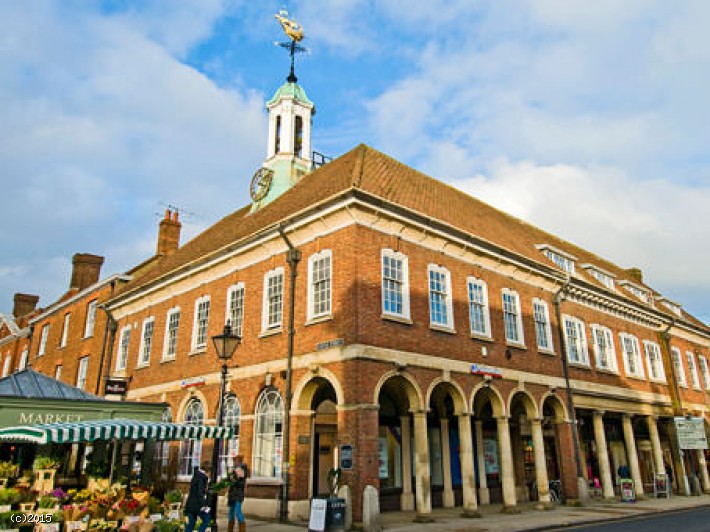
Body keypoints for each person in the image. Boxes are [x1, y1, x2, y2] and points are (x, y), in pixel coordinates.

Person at [185, 462, 211, 532]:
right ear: (207, 471)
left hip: (191, 504)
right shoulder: (202, 478)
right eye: (210, 472)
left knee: (191, 524)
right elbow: (200, 493)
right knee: (206, 519)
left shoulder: (196, 475)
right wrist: (204, 506)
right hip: (198, 505)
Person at [227, 454, 249, 532]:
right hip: (232, 494)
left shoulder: (243, 469)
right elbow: (229, 480)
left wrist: (234, 481)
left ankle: (242, 530)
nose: (234, 463)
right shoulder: (233, 469)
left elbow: (242, 483)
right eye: (234, 461)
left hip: (238, 494)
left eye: (235, 461)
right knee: (230, 512)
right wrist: (229, 477)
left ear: (239, 461)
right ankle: (230, 530)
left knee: (237, 511)